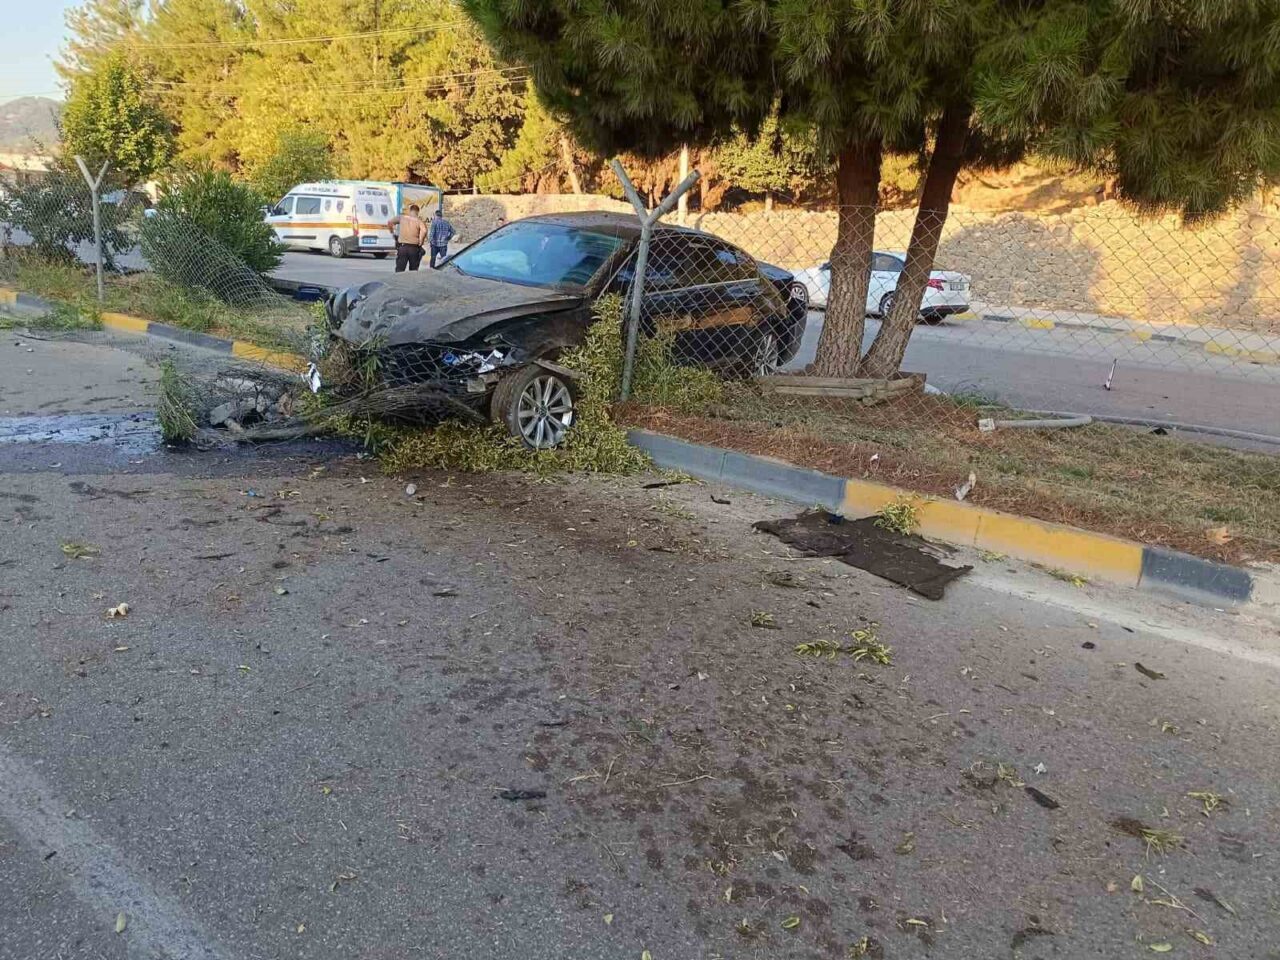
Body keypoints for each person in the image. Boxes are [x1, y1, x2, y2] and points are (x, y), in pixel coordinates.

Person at [387, 204, 427, 272]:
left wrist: (392, 233)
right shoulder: (419, 221)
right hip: (414, 248)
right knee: (413, 270)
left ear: (410, 211)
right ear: (417, 212)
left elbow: (390, 222)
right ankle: (410, 282)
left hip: (402, 248)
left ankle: (398, 282)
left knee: (400, 270)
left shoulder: (401, 218)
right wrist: (421, 241)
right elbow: (424, 231)